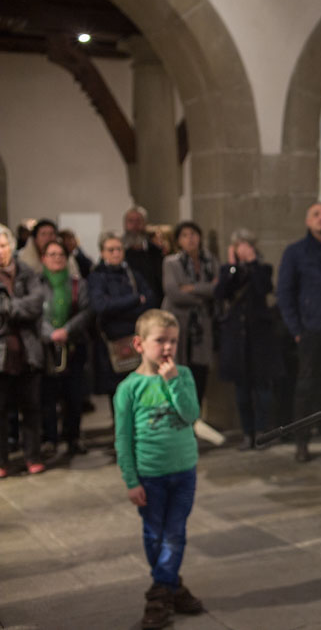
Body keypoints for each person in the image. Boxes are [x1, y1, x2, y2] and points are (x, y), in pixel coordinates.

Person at [113, 309, 204, 629]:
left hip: (184, 472)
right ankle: (171, 588)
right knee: (154, 535)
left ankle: (159, 596)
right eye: (160, 341)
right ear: (139, 344)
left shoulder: (184, 376)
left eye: (173, 341)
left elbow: (191, 414)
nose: (167, 348)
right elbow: (123, 438)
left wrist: (174, 382)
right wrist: (130, 479)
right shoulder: (128, 388)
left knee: (174, 534)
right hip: (150, 476)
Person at [277, 201, 321, 463]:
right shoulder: (296, 252)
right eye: (316, 215)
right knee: (306, 388)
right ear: (308, 221)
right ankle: (302, 442)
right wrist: (297, 329)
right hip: (311, 330)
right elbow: (284, 294)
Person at [215, 229, 276, 451]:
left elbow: (264, 288)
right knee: (241, 390)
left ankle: (262, 432)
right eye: (238, 245)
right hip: (236, 339)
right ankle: (247, 433)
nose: (242, 248)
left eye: (246, 244)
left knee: (263, 389)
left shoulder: (263, 269)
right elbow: (221, 292)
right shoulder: (227, 270)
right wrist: (232, 266)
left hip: (259, 337)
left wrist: (252, 263)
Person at [0, 223, 47, 477]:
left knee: (31, 407)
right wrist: (20, 308)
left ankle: (33, 456)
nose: (0, 251)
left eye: (3, 245)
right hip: (2, 355)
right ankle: (2, 461)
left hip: (28, 352)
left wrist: (9, 308)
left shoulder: (26, 271)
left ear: (11, 246)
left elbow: (37, 303)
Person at [39, 240, 93, 457]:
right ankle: (50, 439)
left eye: (60, 254)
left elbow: (86, 311)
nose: (57, 258)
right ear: (44, 258)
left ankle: (73, 437)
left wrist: (66, 331)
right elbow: (34, 313)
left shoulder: (78, 284)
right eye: (51, 254)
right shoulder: (37, 284)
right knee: (47, 396)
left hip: (73, 346)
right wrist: (50, 333)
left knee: (74, 394)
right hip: (46, 348)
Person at [88, 232, 155, 406]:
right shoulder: (97, 277)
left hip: (135, 338)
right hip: (112, 342)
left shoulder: (132, 274)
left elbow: (149, 300)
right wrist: (134, 300)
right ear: (102, 253)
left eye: (119, 249)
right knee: (119, 396)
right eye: (111, 250)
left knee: (140, 392)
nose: (116, 253)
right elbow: (101, 306)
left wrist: (119, 307)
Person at [161, 221, 218, 404]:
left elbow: (217, 289)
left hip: (202, 326)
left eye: (193, 234)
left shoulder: (210, 261)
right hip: (179, 324)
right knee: (179, 371)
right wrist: (203, 296)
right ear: (178, 240)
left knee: (200, 374)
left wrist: (191, 287)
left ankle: (195, 418)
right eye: (185, 235)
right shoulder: (171, 262)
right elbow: (174, 293)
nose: (190, 239)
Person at [123, 206, 164, 306]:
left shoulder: (156, 252)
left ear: (145, 224)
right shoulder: (119, 253)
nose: (135, 225)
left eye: (138, 221)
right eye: (131, 221)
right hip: (126, 307)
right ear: (125, 224)